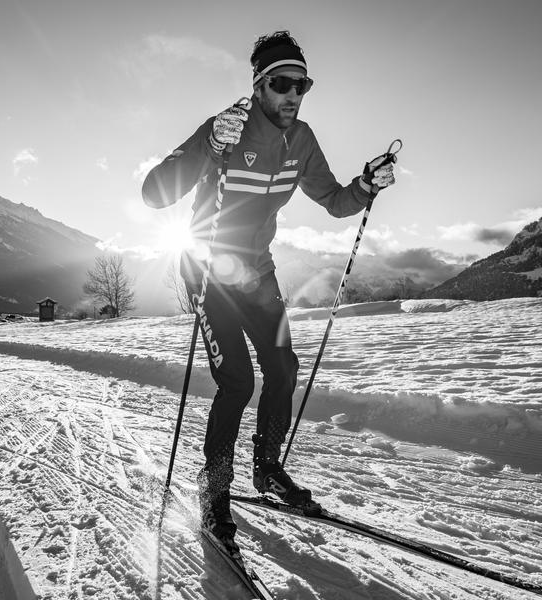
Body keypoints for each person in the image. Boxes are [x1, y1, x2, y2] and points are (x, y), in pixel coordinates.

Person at [142, 31, 396, 549]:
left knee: (283, 368)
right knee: (236, 382)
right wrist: (209, 149)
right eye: (282, 83)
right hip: (209, 272)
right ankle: (213, 490)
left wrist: (367, 186)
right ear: (259, 86)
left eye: (302, 84)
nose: (293, 94)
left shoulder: (300, 139)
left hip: (257, 271)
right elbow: (154, 193)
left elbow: (333, 199)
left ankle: (267, 467)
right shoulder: (226, 130)